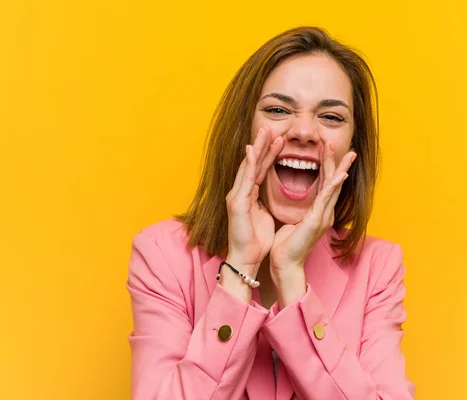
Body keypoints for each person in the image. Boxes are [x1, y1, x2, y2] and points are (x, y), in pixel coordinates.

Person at [127, 26, 416, 400]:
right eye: (278, 110)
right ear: (242, 130)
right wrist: (241, 266)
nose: (305, 131)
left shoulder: (379, 267)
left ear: (352, 149)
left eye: (331, 117)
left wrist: (292, 280)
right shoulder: (161, 255)